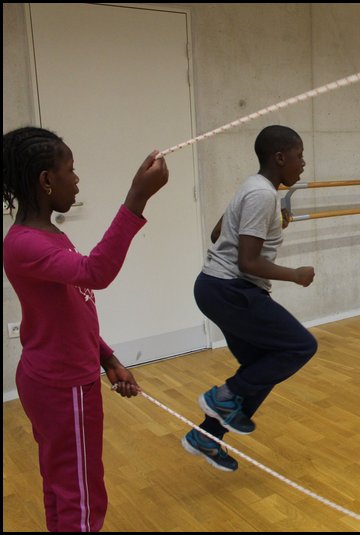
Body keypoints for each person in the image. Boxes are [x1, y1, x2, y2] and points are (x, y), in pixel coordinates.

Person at [2, 126, 169, 531]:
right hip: (63, 387)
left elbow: (72, 309)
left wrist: (107, 359)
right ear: (46, 180)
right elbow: (96, 273)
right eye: (71, 170)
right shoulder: (25, 244)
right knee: (81, 496)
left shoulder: (47, 234)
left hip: (60, 378)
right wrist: (137, 197)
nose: (77, 180)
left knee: (63, 484)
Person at [183, 124, 317, 471]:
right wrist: (296, 275)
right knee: (300, 346)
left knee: (261, 368)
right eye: (299, 155)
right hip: (230, 289)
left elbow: (218, 233)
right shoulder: (262, 195)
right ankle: (222, 396)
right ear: (280, 157)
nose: (303, 163)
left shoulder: (253, 187)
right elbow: (248, 262)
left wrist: (271, 223)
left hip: (217, 288)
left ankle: (206, 437)